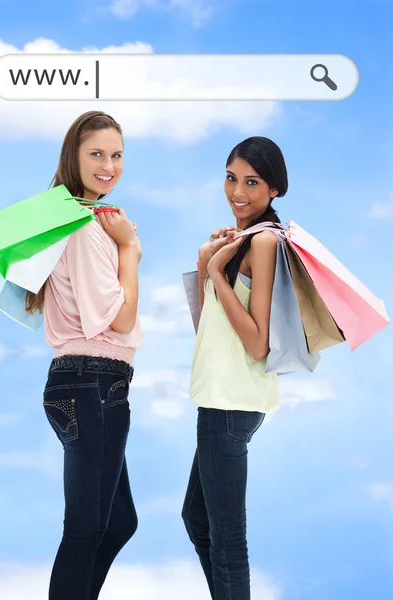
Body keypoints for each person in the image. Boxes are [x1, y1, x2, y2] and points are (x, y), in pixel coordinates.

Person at [26, 111, 142, 599]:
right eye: (96, 153)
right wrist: (130, 250)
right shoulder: (83, 226)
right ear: (73, 156)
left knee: (116, 523)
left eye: (116, 155)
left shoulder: (75, 218)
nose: (108, 165)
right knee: (86, 530)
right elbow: (117, 319)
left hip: (88, 383)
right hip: (92, 382)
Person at [181, 136, 288, 600]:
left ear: (274, 190)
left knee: (227, 540)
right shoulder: (237, 241)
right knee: (197, 520)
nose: (237, 192)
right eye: (230, 178)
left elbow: (259, 344)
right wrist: (207, 264)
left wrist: (220, 276)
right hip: (218, 397)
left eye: (252, 182)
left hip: (231, 404)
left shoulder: (264, 241)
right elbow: (208, 329)